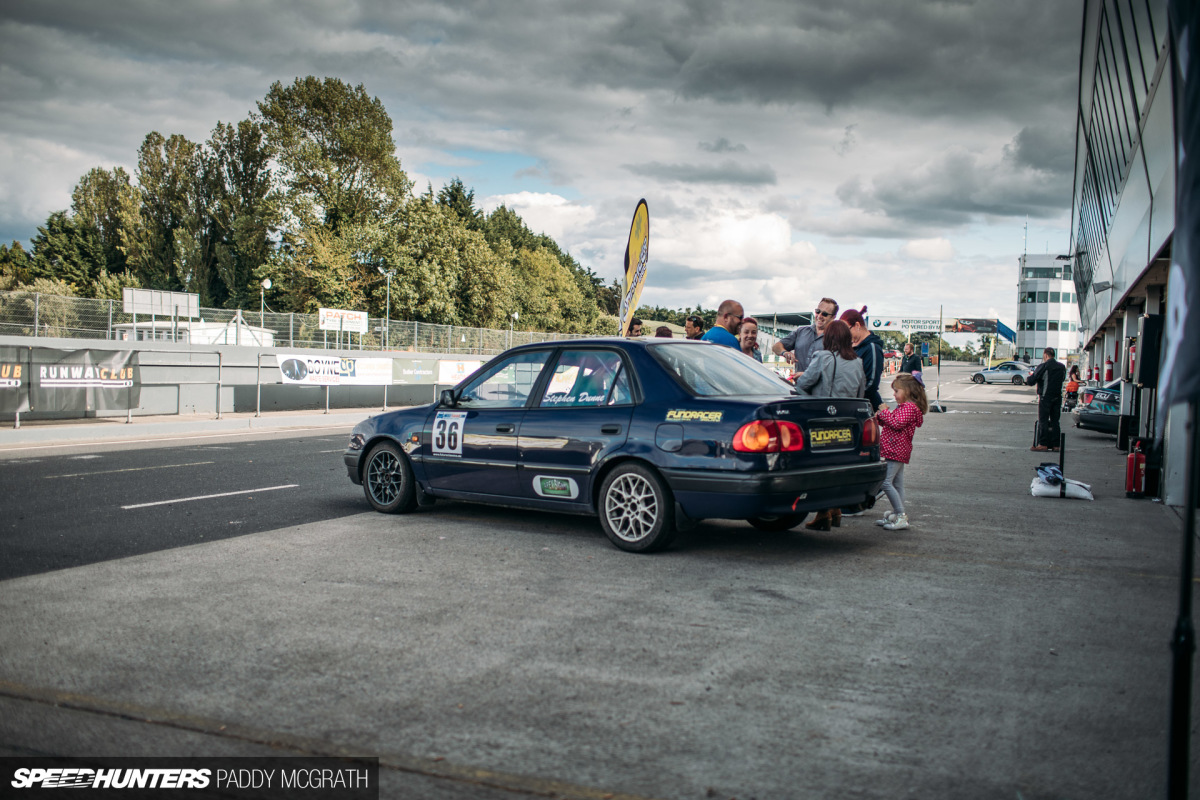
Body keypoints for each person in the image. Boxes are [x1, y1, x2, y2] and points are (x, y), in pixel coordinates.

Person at [793, 319, 866, 532]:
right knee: (839, 467)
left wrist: (811, 401)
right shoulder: (857, 362)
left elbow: (802, 384)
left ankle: (823, 513)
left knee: (821, 469)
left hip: (823, 421)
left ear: (829, 338)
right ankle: (835, 509)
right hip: (849, 422)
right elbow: (861, 394)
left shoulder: (823, 357)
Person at [874, 372, 928, 531]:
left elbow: (896, 424)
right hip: (896, 449)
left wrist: (884, 412)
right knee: (897, 484)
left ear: (908, 391)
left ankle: (900, 515)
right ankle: (897, 514)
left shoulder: (909, 408)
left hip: (896, 450)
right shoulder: (905, 408)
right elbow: (893, 424)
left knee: (885, 482)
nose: (894, 394)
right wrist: (882, 417)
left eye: (897, 391)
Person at [772, 297, 838, 372]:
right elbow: (776, 347)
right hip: (799, 383)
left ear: (833, 317)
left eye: (824, 314)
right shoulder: (801, 331)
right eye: (817, 311)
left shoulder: (836, 338)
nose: (819, 316)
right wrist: (785, 352)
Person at [839, 307, 885, 411]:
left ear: (857, 325)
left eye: (847, 330)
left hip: (863, 407)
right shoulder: (852, 346)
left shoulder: (872, 348)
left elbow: (871, 384)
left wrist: (850, 397)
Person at [1027, 347, 1066, 451]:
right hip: (1057, 397)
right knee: (1055, 421)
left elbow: (1032, 381)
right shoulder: (1062, 367)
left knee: (1043, 420)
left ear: (1045, 355)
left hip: (1045, 397)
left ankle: (1043, 444)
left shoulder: (1044, 366)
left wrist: (1030, 376)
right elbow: (1062, 379)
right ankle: (1056, 445)